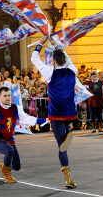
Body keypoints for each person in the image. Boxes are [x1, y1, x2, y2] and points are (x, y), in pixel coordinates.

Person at [31, 36, 77, 188]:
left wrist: (40, 42)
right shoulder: (72, 71)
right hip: (69, 113)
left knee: (61, 146)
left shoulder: (49, 72)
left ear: (53, 61)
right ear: (64, 61)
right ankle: (69, 129)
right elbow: (67, 59)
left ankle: (67, 178)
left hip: (56, 114)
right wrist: (56, 45)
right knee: (64, 138)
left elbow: (34, 58)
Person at [0, 86, 46, 183]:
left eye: (9, 95)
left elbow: (26, 119)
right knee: (9, 150)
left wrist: (44, 120)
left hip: (10, 140)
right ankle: (7, 175)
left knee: (17, 166)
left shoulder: (16, 108)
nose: (7, 98)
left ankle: (4, 165)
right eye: (5, 96)